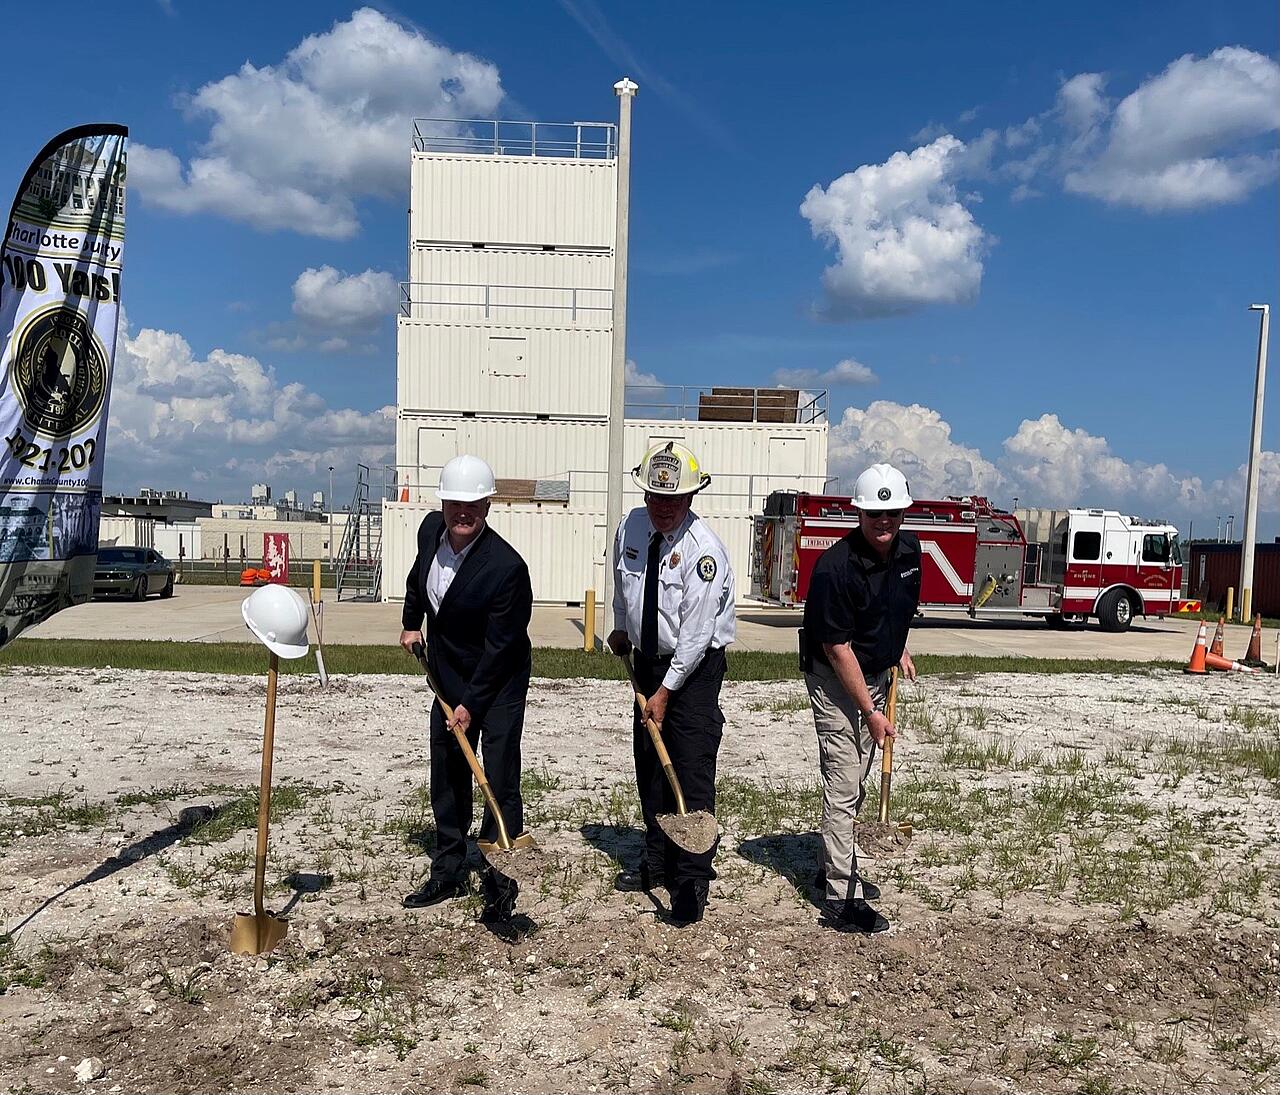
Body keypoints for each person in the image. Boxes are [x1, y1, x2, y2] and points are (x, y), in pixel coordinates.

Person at [399, 454, 533, 922]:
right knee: (450, 770)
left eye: (472, 505)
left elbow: (500, 649)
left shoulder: (506, 568)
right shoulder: (429, 531)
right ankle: (448, 868)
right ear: (443, 503)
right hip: (447, 673)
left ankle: (500, 878)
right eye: (454, 503)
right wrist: (411, 622)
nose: (462, 513)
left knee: (498, 773)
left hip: (499, 681)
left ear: (487, 506)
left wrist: (470, 705)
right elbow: (417, 578)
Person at [607, 441, 735, 924]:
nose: (663, 507)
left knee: (689, 764)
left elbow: (697, 635)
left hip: (695, 671)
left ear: (690, 498)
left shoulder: (704, 552)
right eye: (656, 497)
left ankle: (692, 878)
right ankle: (658, 859)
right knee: (650, 762)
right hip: (646, 662)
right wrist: (622, 626)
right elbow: (623, 583)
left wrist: (665, 693)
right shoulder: (631, 526)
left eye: (674, 499)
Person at [800, 462, 920, 934]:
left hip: (873, 673)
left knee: (857, 774)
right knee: (845, 781)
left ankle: (831, 862)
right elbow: (836, 647)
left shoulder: (910, 552)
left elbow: (896, 610)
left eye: (892, 513)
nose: (884, 522)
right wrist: (869, 711)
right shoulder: (835, 568)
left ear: (903, 513)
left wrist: (897, 648)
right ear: (860, 514)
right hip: (834, 678)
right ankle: (840, 897)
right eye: (874, 514)